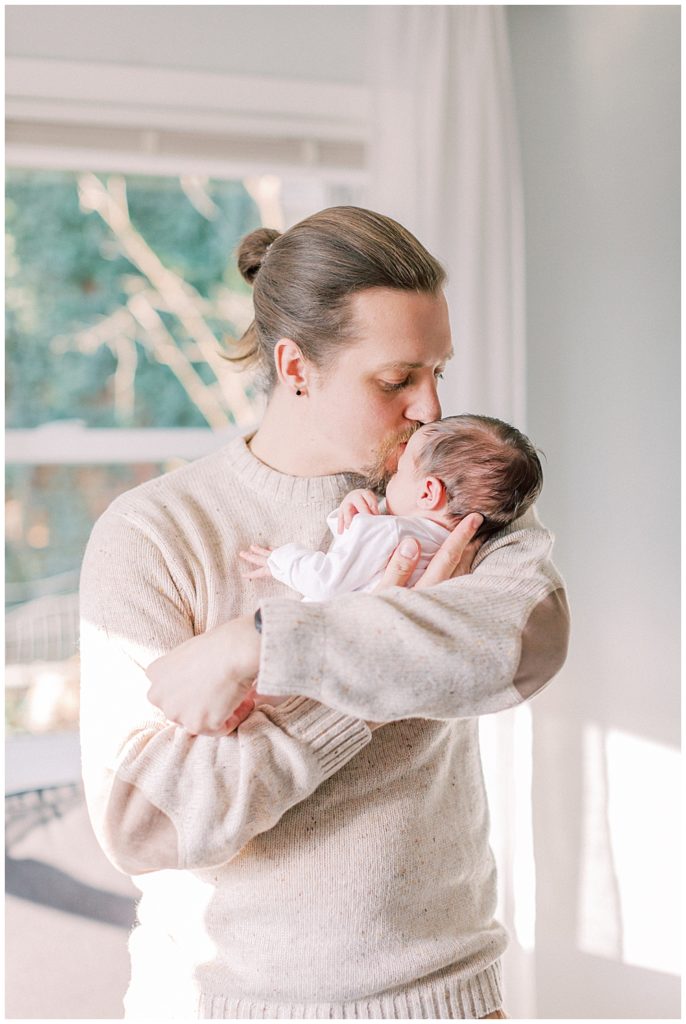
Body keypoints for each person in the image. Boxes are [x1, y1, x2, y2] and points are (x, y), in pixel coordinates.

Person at [79, 206, 570, 1020]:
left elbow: (528, 641)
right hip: (214, 1005)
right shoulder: (154, 533)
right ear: (296, 366)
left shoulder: (454, 500)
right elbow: (149, 823)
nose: (431, 408)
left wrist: (263, 644)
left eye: (439, 371)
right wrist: (371, 672)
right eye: (397, 379)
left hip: (442, 1000)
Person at [238, 414, 544, 600]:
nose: (392, 473)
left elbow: (326, 581)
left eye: (401, 470)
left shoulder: (388, 531)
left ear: (427, 493)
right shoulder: (455, 550)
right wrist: (364, 517)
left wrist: (281, 560)